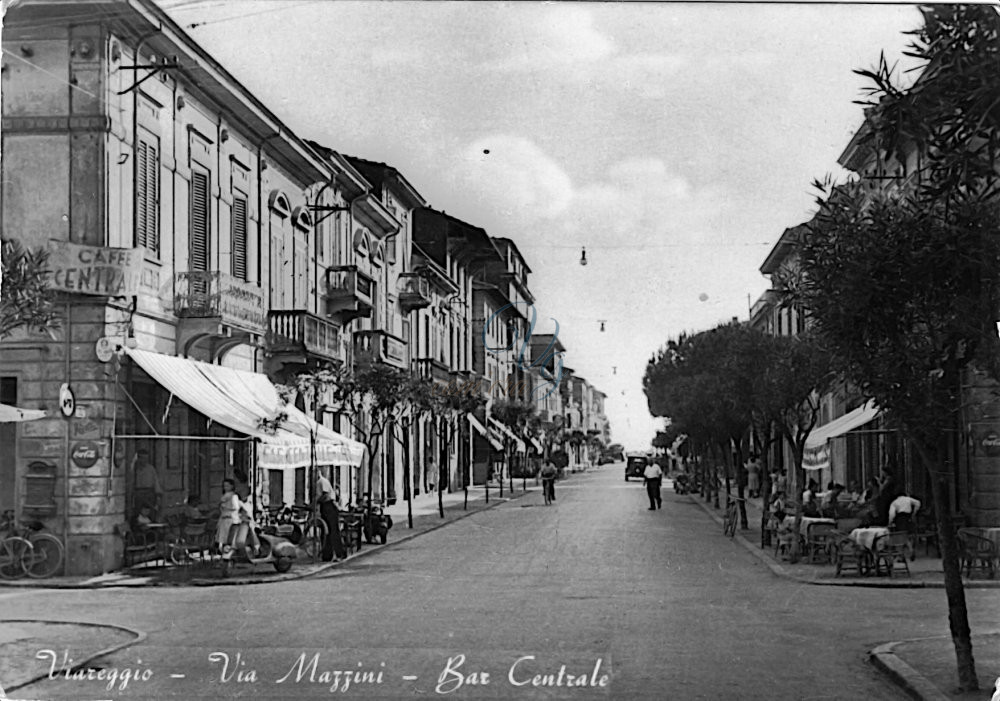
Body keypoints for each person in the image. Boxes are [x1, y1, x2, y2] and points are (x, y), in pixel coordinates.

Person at [316, 469, 346, 562]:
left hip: (329, 506)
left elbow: (325, 495)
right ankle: (327, 555)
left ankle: (340, 554)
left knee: (333, 531)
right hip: (324, 507)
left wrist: (316, 502)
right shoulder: (318, 482)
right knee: (326, 532)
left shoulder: (322, 481)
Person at [132, 449, 162, 518]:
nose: (144, 460)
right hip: (138, 495)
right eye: (142, 458)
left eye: (146, 458)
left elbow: (156, 482)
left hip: (149, 495)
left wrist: (158, 497)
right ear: (138, 458)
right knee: (138, 515)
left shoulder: (151, 469)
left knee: (150, 514)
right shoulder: (135, 469)